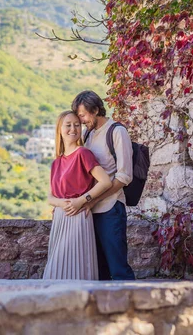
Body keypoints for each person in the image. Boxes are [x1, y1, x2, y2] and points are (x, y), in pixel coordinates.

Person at [72, 90, 136, 280]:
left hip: (111, 208)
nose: (81, 120)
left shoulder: (117, 131)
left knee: (118, 269)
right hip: (90, 210)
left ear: (96, 109)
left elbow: (124, 176)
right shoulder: (88, 134)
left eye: (83, 115)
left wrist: (93, 200)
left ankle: (132, 307)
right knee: (99, 271)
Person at [43, 110, 112, 280]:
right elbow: (50, 197)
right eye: (68, 125)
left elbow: (105, 182)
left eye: (77, 124)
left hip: (78, 215)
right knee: (56, 269)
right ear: (59, 129)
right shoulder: (56, 162)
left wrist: (81, 201)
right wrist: (62, 204)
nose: (73, 129)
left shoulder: (83, 153)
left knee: (76, 268)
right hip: (60, 217)